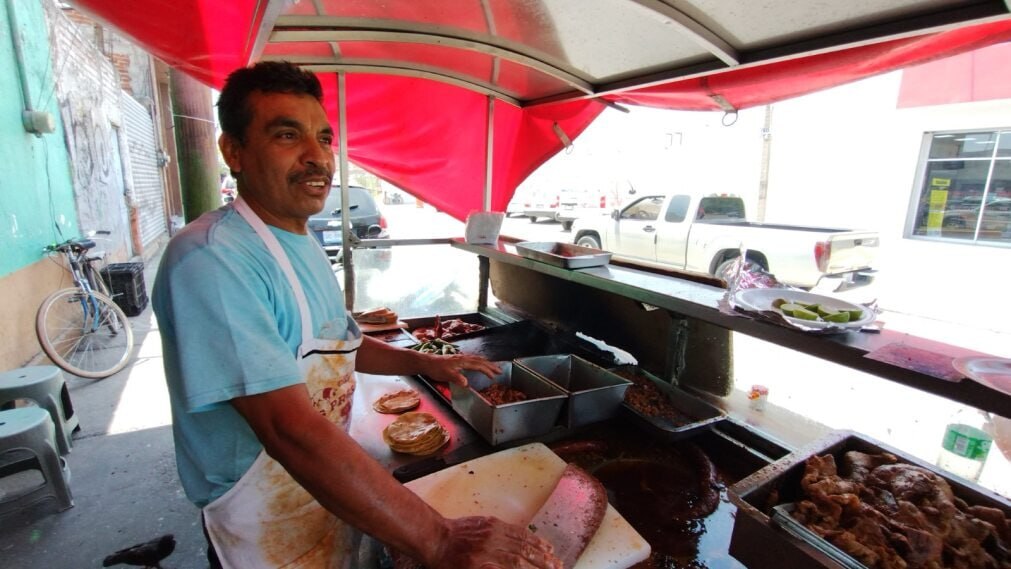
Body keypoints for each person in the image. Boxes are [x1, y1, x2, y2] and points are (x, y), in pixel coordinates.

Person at [152, 61, 561, 569]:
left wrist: (425, 364)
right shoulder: (212, 260)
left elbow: (341, 344)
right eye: (287, 135)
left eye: (324, 139)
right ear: (233, 152)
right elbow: (287, 430)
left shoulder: (297, 240)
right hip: (263, 513)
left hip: (322, 486)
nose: (316, 157)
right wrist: (438, 539)